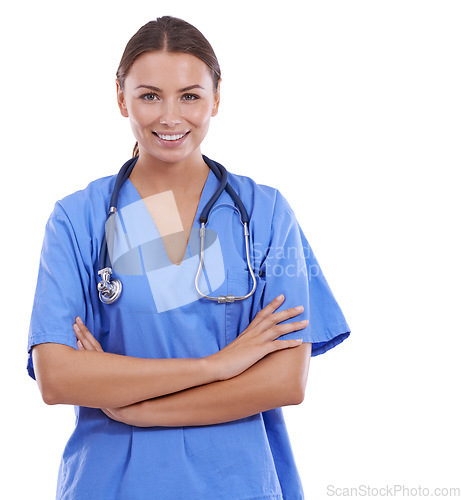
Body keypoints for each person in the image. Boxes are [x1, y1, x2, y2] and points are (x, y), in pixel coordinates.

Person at [27, 16, 351, 500]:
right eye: (150, 95)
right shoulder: (78, 220)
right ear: (121, 98)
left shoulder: (264, 213)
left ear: (216, 98)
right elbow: (57, 376)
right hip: (114, 482)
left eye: (190, 96)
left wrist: (136, 408)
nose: (170, 117)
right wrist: (218, 366)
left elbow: (285, 380)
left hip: (237, 482)